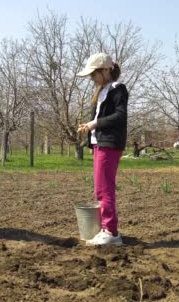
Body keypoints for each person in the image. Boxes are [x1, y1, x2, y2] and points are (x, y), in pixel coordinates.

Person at [76, 53, 128, 246]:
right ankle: (105, 228)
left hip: (110, 143)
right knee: (99, 188)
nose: (91, 78)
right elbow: (97, 117)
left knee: (105, 189)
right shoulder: (102, 91)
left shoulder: (117, 89)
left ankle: (111, 232)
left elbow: (120, 116)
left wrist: (93, 124)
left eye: (94, 74)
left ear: (106, 70)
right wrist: (91, 140)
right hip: (100, 143)